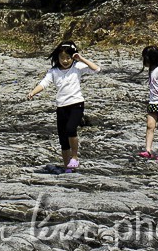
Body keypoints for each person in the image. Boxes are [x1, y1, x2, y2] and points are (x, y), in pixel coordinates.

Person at [25, 42, 101, 172]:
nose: (65, 61)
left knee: (71, 129)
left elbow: (97, 69)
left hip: (76, 104)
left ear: (73, 57)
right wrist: (33, 92)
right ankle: (68, 168)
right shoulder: (53, 71)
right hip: (61, 107)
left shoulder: (77, 67)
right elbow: (44, 83)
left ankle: (75, 157)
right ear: (57, 58)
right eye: (62, 58)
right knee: (63, 139)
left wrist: (81, 58)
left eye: (68, 58)